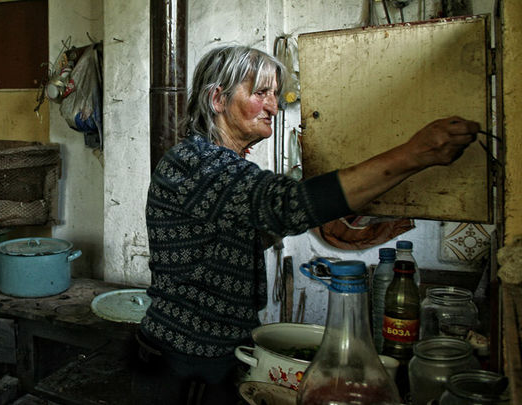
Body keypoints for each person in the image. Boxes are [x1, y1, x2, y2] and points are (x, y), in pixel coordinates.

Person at [134, 44, 479, 404]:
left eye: (275, 94)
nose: (273, 106)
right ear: (218, 99)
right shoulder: (195, 162)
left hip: (217, 354)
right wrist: (416, 153)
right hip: (184, 361)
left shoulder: (225, 167)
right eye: (261, 93)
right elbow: (285, 206)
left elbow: (250, 227)